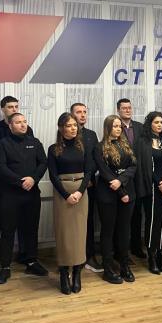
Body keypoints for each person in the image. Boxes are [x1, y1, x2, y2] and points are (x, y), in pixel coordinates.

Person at [0, 113, 48, 284]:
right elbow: (0, 167)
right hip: (9, 194)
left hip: (31, 193)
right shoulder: (2, 144)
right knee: (7, 230)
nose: (23, 125)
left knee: (31, 229)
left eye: (24, 122)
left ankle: (31, 262)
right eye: (18, 122)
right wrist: (20, 181)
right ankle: (5, 267)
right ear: (10, 126)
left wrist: (33, 179)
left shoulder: (34, 142)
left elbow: (43, 163)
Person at [48, 113, 93, 295]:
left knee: (80, 234)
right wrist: (66, 195)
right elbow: (53, 175)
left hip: (81, 193)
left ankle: (77, 273)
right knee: (64, 234)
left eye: (75, 125)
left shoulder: (83, 147)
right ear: (61, 128)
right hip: (63, 194)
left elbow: (89, 171)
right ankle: (63, 272)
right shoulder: (53, 149)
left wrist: (80, 192)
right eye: (69, 125)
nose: (73, 128)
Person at [0, 96, 33, 269]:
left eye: (16, 106)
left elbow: (32, 157)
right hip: (3, 185)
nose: (14, 109)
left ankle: (26, 256)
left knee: (25, 223)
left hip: (25, 185)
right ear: (3, 109)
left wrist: (28, 179)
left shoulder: (28, 130)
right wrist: (14, 178)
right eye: (10, 107)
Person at [94, 114, 137, 284]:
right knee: (108, 231)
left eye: (120, 126)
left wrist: (121, 181)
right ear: (108, 128)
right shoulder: (99, 147)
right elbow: (105, 172)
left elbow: (133, 166)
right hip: (108, 194)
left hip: (127, 191)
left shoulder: (126, 144)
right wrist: (120, 191)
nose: (119, 129)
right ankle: (108, 269)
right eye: (115, 126)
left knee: (124, 231)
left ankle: (124, 265)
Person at [135, 112, 162, 275]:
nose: (159, 125)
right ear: (149, 124)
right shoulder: (142, 142)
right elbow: (144, 168)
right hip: (151, 188)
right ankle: (152, 258)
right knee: (153, 223)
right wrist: (160, 184)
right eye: (156, 122)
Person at [70, 102, 102, 274]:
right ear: (71, 115)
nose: (82, 115)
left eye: (84, 112)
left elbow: (96, 158)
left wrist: (88, 178)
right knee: (73, 222)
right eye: (78, 112)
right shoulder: (67, 133)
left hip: (90, 185)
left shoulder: (91, 134)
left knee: (88, 221)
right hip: (72, 184)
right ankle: (73, 257)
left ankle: (89, 256)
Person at [117, 98, 145, 259]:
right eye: (124, 108)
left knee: (137, 214)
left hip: (138, 176)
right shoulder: (115, 126)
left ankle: (136, 247)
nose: (128, 110)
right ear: (118, 110)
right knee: (122, 216)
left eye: (129, 108)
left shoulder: (140, 127)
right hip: (122, 176)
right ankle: (121, 251)